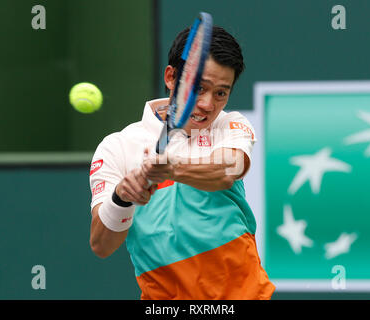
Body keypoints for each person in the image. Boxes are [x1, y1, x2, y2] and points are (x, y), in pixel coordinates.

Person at [89, 25, 275, 300]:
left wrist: (172, 169)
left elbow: (229, 170)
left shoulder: (229, 125)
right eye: (199, 88)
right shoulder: (117, 147)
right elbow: (101, 245)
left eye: (221, 93)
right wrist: (122, 198)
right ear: (171, 77)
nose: (208, 104)